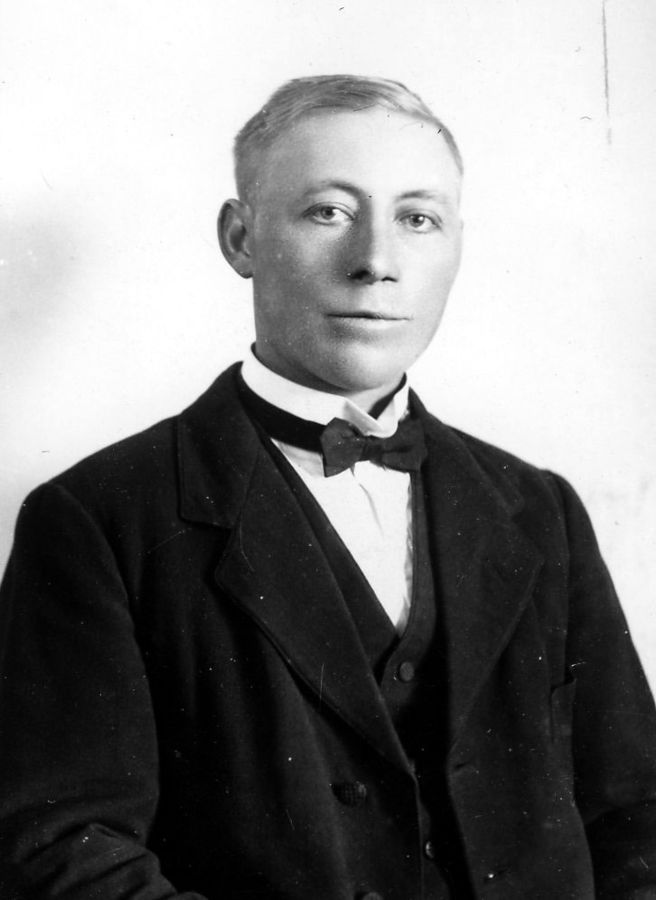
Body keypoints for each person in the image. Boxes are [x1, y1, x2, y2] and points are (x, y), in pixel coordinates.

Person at [0, 74, 655, 900]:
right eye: (329, 212)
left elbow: (635, 821)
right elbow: (61, 849)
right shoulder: (98, 518)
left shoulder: (540, 507)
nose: (376, 262)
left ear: (456, 246)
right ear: (240, 238)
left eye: (417, 218)